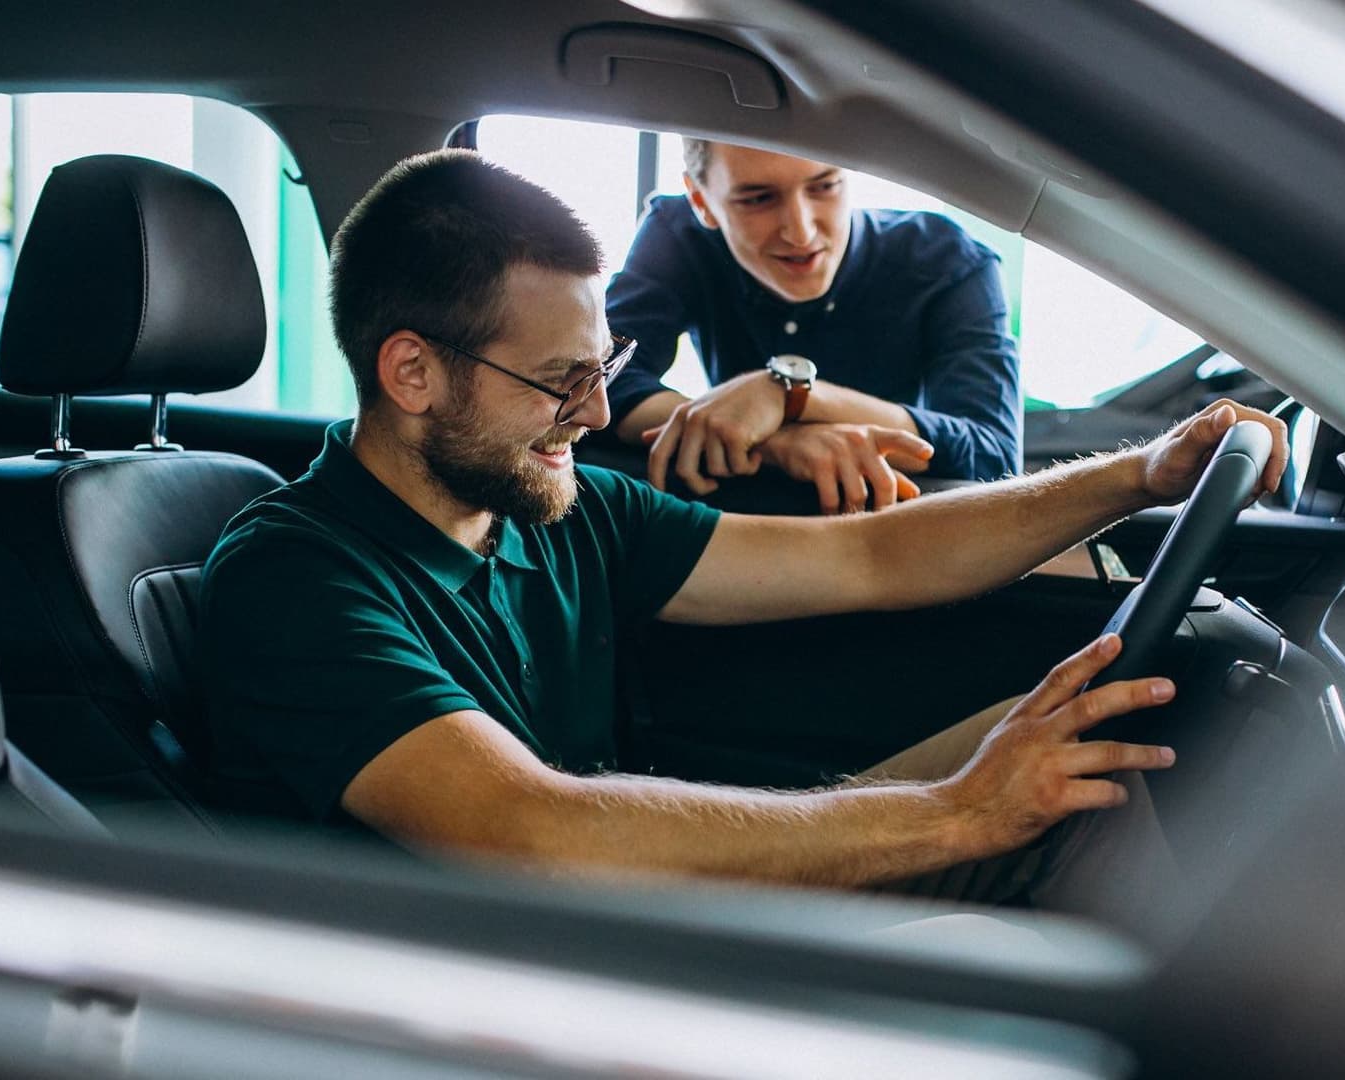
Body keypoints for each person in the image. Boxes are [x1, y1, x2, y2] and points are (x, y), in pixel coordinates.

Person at [199, 150, 1287, 898]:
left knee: (1083, 741)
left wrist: (1140, 473)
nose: (591, 415)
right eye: (554, 382)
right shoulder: (294, 578)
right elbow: (530, 831)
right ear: (411, 373)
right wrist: (958, 813)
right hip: (534, 972)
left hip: (649, 904)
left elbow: (873, 552)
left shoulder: (552, 510)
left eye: (603, 372)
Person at [604, 139, 1023, 514]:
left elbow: (995, 459)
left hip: (896, 533)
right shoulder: (677, 232)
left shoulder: (949, 260)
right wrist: (774, 442)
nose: (801, 232)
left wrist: (789, 395)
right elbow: (595, 385)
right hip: (736, 528)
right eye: (757, 199)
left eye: (824, 186)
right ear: (701, 201)